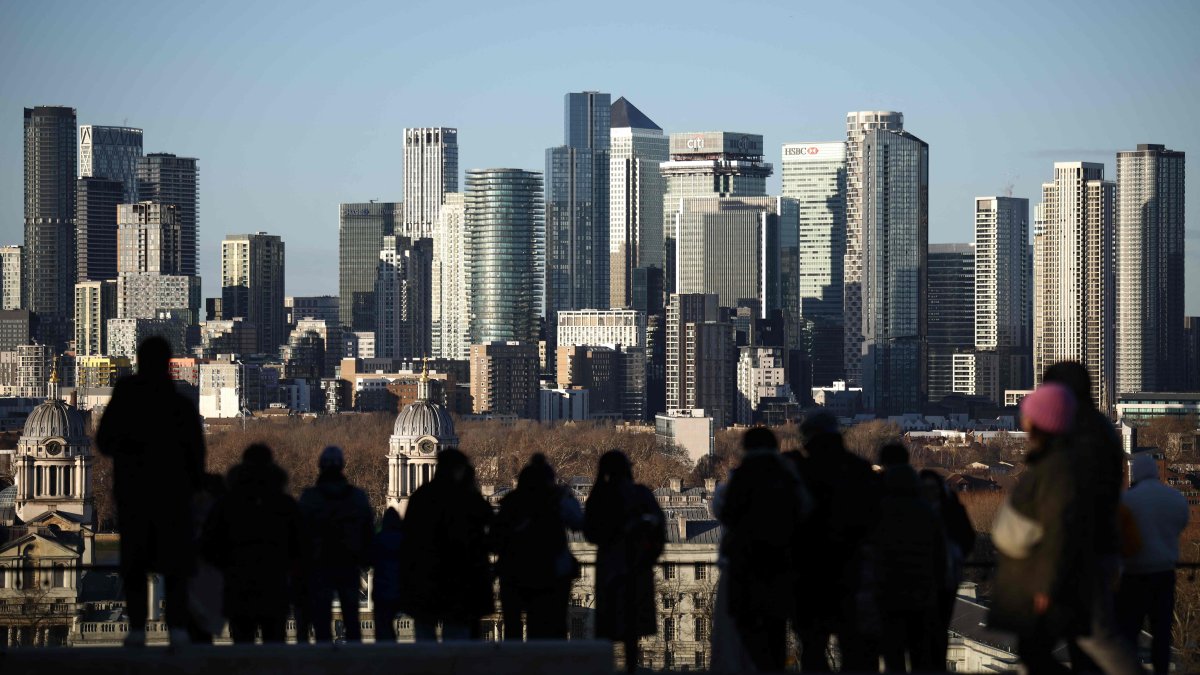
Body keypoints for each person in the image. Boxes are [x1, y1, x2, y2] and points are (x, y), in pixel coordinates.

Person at [96, 336, 206, 648]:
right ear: (168, 364)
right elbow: (197, 457)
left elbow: (104, 442)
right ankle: (178, 629)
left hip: (135, 495)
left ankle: (136, 628)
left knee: (135, 561)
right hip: (173, 498)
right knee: (175, 563)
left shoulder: (126, 399)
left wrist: (130, 451)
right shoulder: (182, 403)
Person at [1043, 362, 1142, 675]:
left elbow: (1070, 497)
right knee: (1085, 637)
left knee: (1094, 637)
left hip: (1080, 549)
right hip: (1099, 545)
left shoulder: (1075, 431)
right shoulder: (1099, 428)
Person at [990, 382, 1083, 674]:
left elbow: (1056, 530)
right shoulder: (1051, 464)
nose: (1023, 421)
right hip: (1031, 578)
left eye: (1028, 415)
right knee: (1033, 653)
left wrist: (1045, 585)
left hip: (1037, 583)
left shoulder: (1054, 469)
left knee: (1034, 653)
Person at [785, 410, 881, 672]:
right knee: (854, 646)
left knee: (813, 648)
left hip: (808, 572)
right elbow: (877, 520)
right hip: (853, 571)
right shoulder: (859, 470)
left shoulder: (799, 472)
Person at [717, 427, 810, 671]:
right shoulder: (786, 477)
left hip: (746, 568)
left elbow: (726, 512)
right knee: (775, 631)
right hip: (781, 567)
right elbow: (803, 511)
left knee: (748, 634)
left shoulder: (741, 477)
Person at [202, 444, 302, 644]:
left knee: (242, 646)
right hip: (275, 585)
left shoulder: (226, 505)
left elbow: (210, 545)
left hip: (238, 585)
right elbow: (300, 546)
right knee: (274, 647)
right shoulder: (285, 504)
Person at [584, 450, 666, 673]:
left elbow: (589, 532)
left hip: (609, 567)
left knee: (608, 626)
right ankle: (631, 669)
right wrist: (649, 556)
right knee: (632, 630)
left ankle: (606, 669)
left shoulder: (600, 496)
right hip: (638, 566)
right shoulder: (640, 494)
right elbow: (659, 528)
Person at [401, 448, 494, 641]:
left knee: (425, 637)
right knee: (456, 640)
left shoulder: (421, 497)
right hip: (459, 580)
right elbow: (489, 524)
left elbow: (408, 541)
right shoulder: (465, 497)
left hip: (426, 577)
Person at [491, 453, 584, 640]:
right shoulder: (557, 501)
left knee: (513, 626)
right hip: (551, 570)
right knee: (548, 622)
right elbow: (579, 523)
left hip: (514, 570)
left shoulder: (511, 503)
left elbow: (494, 540)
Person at [1117, 453, 1189, 674]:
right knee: (1161, 632)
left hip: (1133, 574)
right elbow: (1182, 522)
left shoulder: (1128, 500)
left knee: (1129, 631)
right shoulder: (1174, 497)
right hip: (1164, 573)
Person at [871, 462, 945, 672]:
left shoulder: (881, 510)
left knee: (892, 649)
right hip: (921, 589)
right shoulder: (926, 512)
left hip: (889, 589)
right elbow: (939, 552)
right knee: (919, 647)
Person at [299, 445, 374, 643]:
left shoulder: (309, 498)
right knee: (351, 617)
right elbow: (367, 533)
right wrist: (364, 559)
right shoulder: (357, 497)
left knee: (321, 619)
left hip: (319, 564)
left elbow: (299, 536)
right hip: (348, 563)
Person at [918, 468, 976, 667]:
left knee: (933, 627)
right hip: (941, 577)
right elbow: (968, 538)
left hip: (939, 578)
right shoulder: (950, 509)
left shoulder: (917, 510)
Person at [371, 508, 405, 643]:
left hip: (383, 589)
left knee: (384, 626)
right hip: (401, 589)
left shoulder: (379, 540)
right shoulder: (406, 541)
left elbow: (367, 560)